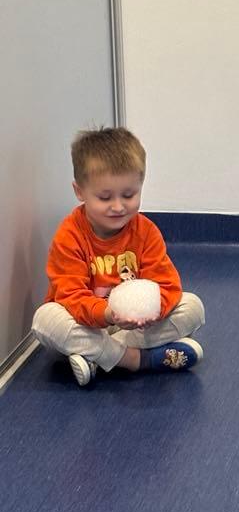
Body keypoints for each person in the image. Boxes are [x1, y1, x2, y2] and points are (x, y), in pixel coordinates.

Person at [32, 127, 205, 387]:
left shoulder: (146, 232)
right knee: (45, 319)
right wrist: (108, 315)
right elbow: (69, 295)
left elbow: (167, 285)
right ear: (79, 191)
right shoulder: (70, 235)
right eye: (104, 197)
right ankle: (138, 360)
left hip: (134, 328)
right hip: (88, 324)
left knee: (192, 307)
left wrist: (155, 311)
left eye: (129, 195)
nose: (118, 206)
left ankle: (98, 357)